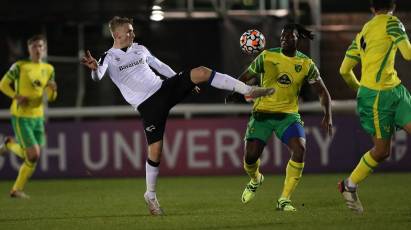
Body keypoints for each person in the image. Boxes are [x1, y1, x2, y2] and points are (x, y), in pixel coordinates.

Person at [80, 16, 274, 216]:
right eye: (128, 31)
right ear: (117, 34)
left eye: (132, 30)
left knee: (201, 72)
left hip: (162, 88)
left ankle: (248, 90)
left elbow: (161, 66)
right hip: (148, 105)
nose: (133, 33)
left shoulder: (140, 49)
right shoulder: (108, 57)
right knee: (156, 152)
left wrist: (183, 83)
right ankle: (151, 195)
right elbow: (98, 75)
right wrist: (94, 69)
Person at [237, 23, 333, 211]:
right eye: (282, 37)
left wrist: (327, 115)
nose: (284, 40)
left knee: (300, 149)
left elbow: (323, 92)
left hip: (288, 116)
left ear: (298, 40)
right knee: (250, 157)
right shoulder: (266, 56)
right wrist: (241, 92)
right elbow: (243, 79)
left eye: (289, 37)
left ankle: (284, 199)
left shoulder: (306, 64)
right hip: (262, 114)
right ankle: (256, 179)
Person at [338, 0, 411, 213]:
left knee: (382, 151)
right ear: (393, 6)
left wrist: (360, 89)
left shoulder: (363, 32)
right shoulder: (392, 22)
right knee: (381, 151)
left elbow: (344, 70)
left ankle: (349, 185)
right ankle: (348, 185)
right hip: (382, 97)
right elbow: (407, 53)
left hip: (387, 93)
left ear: (372, 8)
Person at [0, 34, 57, 199]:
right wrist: (16, 96)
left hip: (38, 117)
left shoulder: (49, 69)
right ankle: (9, 144)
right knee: (33, 154)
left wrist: (53, 90)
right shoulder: (19, 66)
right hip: (21, 116)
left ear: (44, 49)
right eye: (34, 46)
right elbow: (3, 84)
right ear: (29, 49)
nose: (37, 49)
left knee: (31, 157)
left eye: (40, 46)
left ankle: (16, 189)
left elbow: (50, 97)